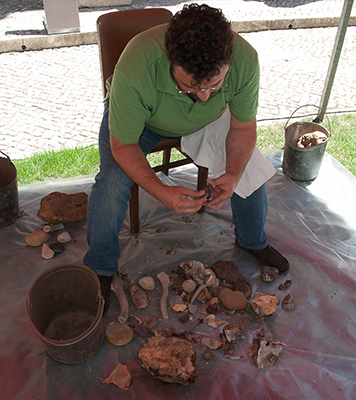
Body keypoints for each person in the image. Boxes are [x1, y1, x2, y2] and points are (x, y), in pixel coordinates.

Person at [84, 3, 289, 312]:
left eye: (215, 83)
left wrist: (233, 173)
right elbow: (124, 146)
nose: (204, 95)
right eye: (191, 85)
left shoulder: (245, 60)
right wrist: (161, 191)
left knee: (250, 167)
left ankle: (252, 240)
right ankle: (100, 266)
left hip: (208, 119)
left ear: (228, 59)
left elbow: (243, 128)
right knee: (112, 182)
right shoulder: (137, 67)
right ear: (170, 58)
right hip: (145, 121)